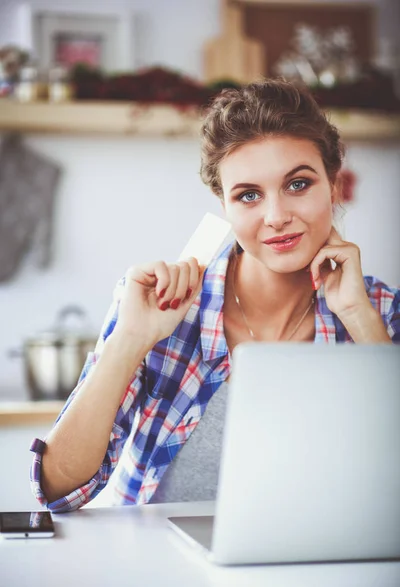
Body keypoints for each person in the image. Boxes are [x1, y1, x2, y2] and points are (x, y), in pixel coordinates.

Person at [30, 79, 400, 512]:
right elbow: (55, 490)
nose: (277, 217)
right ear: (224, 203)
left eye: (298, 185)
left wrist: (358, 315)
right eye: (248, 195)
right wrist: (130, 341)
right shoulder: (158, 306)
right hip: (156, 570)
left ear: (333, 185)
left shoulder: (381, 311)